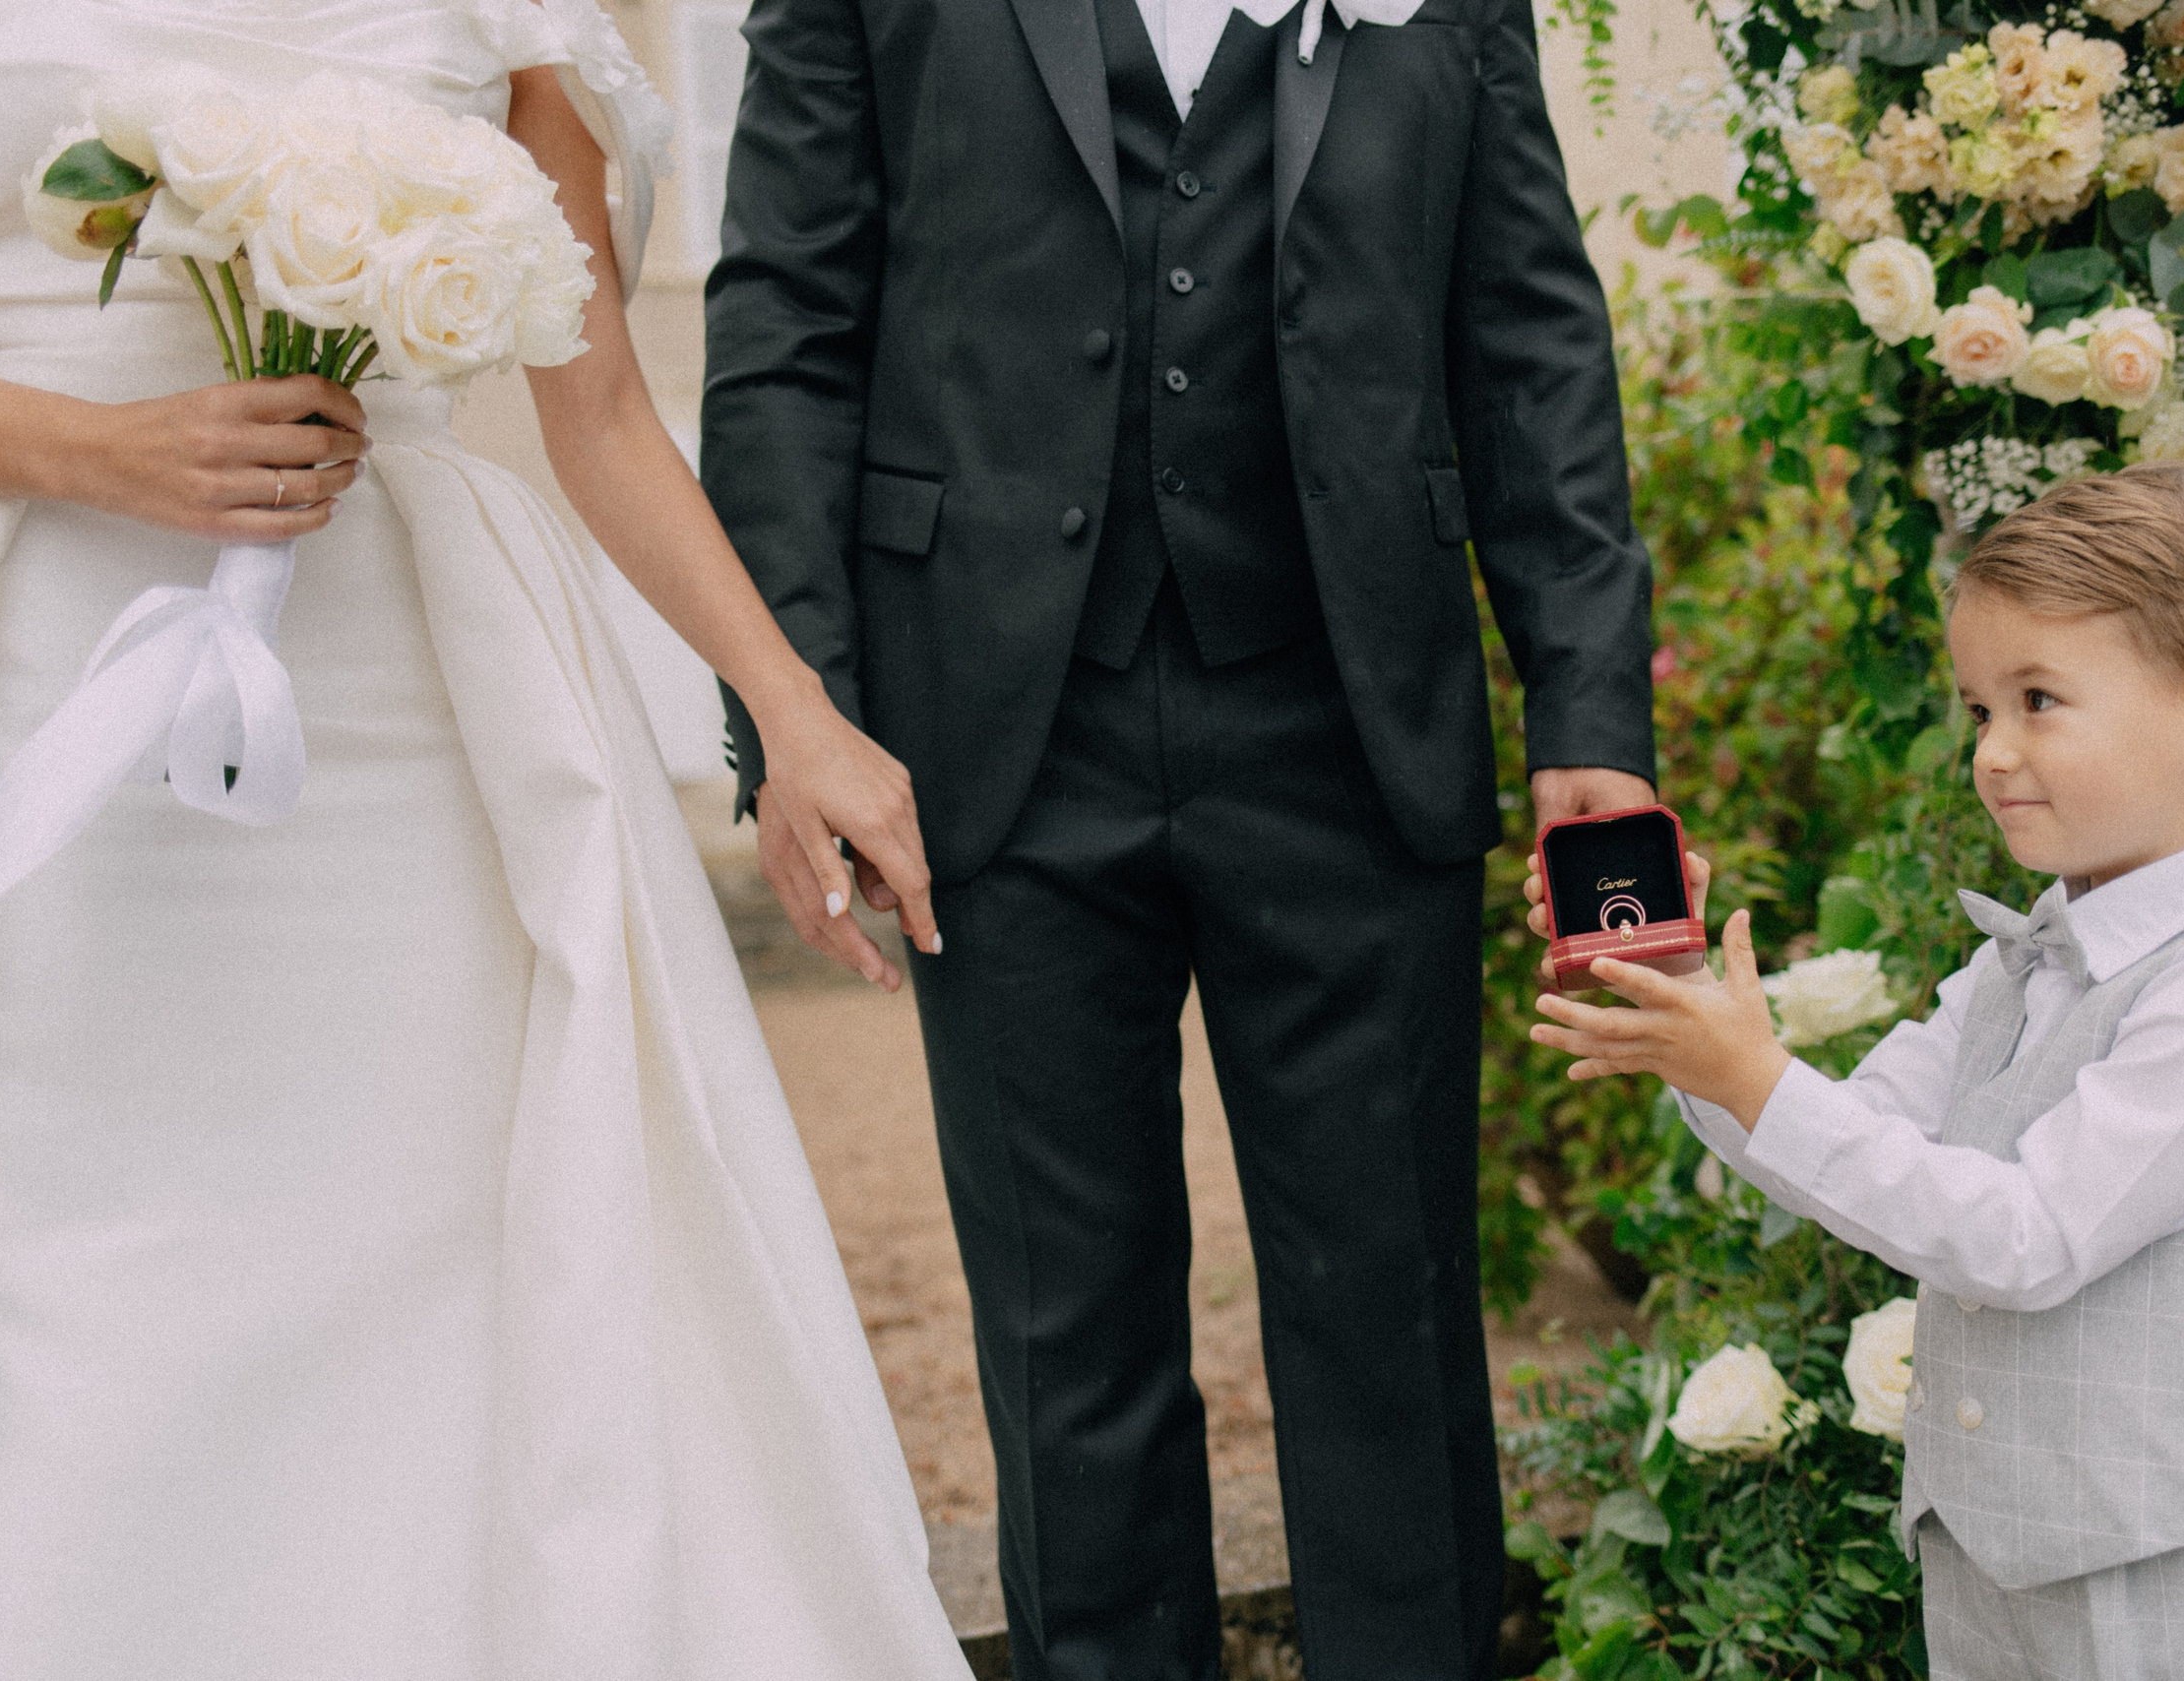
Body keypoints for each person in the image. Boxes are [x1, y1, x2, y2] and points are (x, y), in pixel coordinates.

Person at [0, 3, 967, 1674]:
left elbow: (600, 418)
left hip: (399, 715)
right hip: (50, 676)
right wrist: (104, 449)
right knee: (84, 1253)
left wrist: (793, 711)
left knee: (425, 1248)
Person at [701, 2, 1656, 1675]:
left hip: (1352, 721)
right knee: (1068, 1335)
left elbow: (1528, 336)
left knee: (1394, 1314)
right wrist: (801, 712)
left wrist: (1588, 714)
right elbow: (786, 313)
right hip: (989, 729)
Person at [1527, 462, 2184, 1680]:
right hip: (1993, 1569)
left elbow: (2026, 1237)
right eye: (1979, 708)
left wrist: (1754, 1076)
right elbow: (1841, 1150)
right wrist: (1693, 1029)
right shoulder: (2025, 960)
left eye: (2038, 700)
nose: (1992, 751)